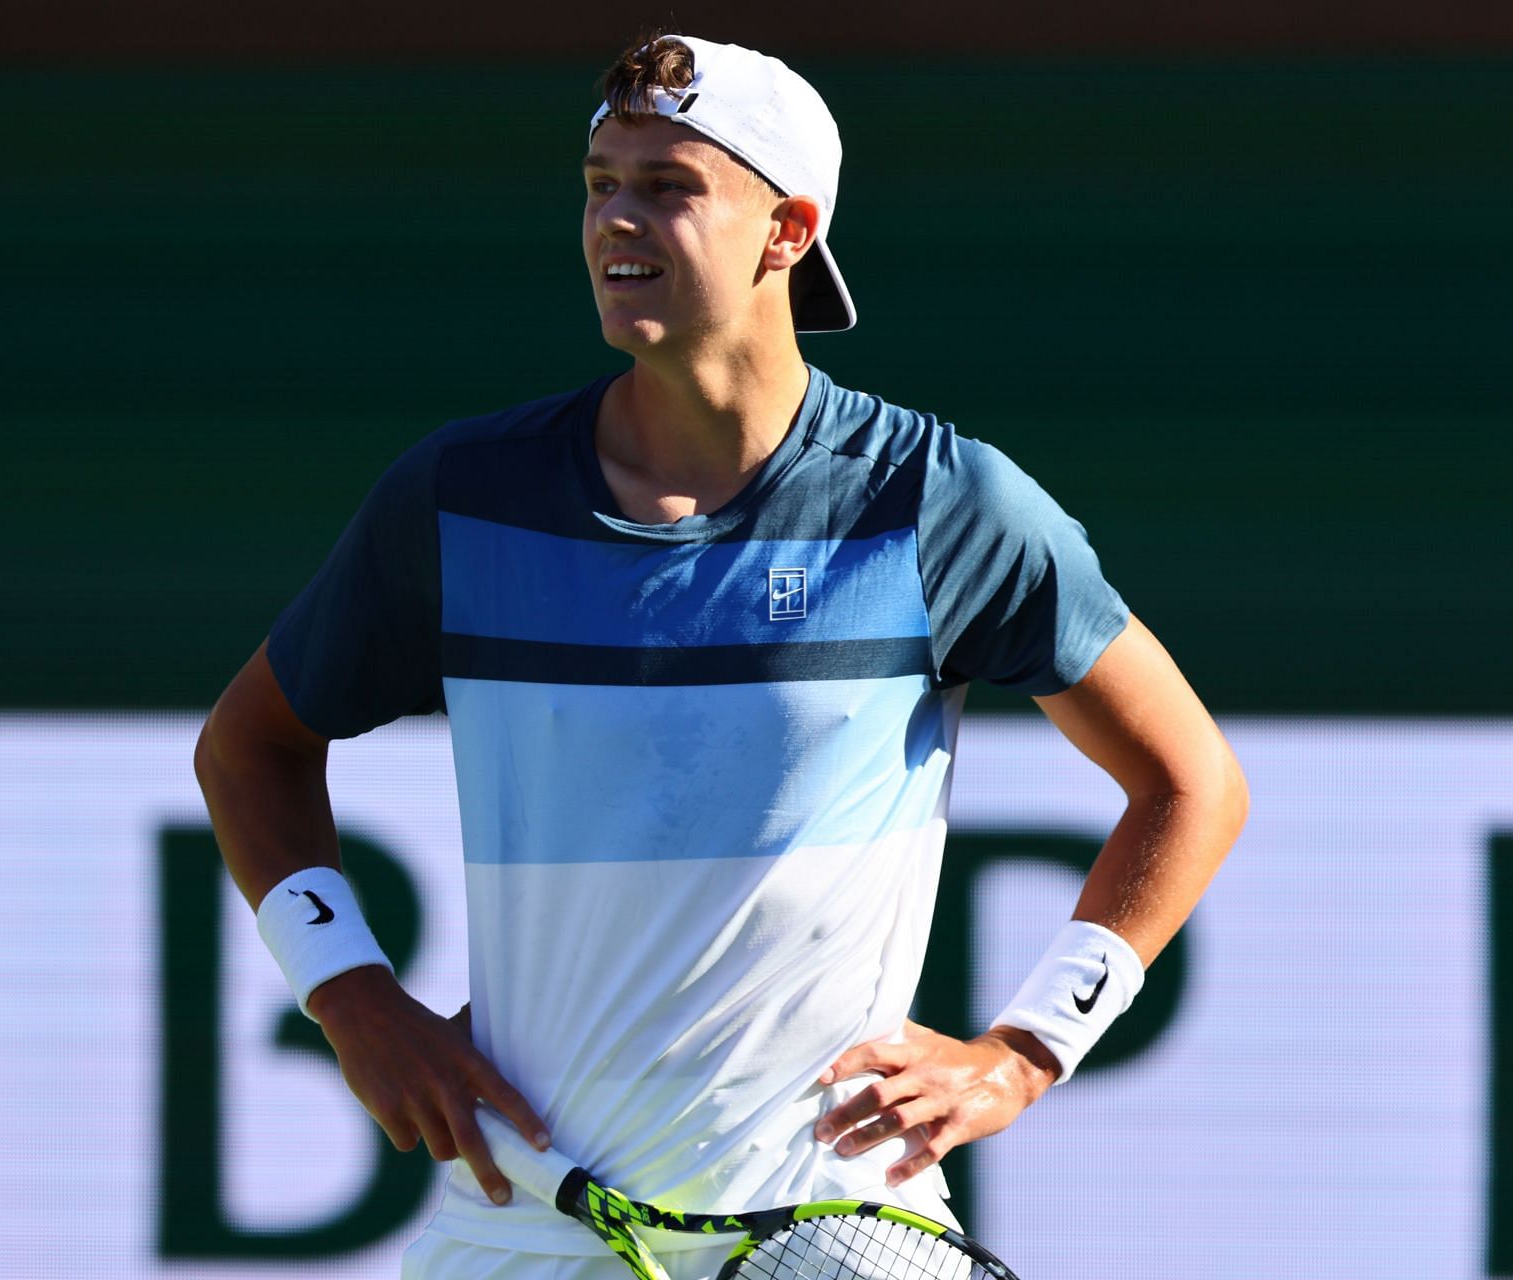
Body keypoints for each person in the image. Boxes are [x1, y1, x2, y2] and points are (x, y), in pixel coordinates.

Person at [194, 32, 1248, 1280]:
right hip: (523, 1220)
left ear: (787, 230)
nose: (614, 222)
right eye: (600, 185)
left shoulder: (938, 500)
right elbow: (248, 748)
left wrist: (1025, 1047)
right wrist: (349, 990)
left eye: (668, 186)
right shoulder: (458, 498)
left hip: (839, 1220)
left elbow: (1193, 785)